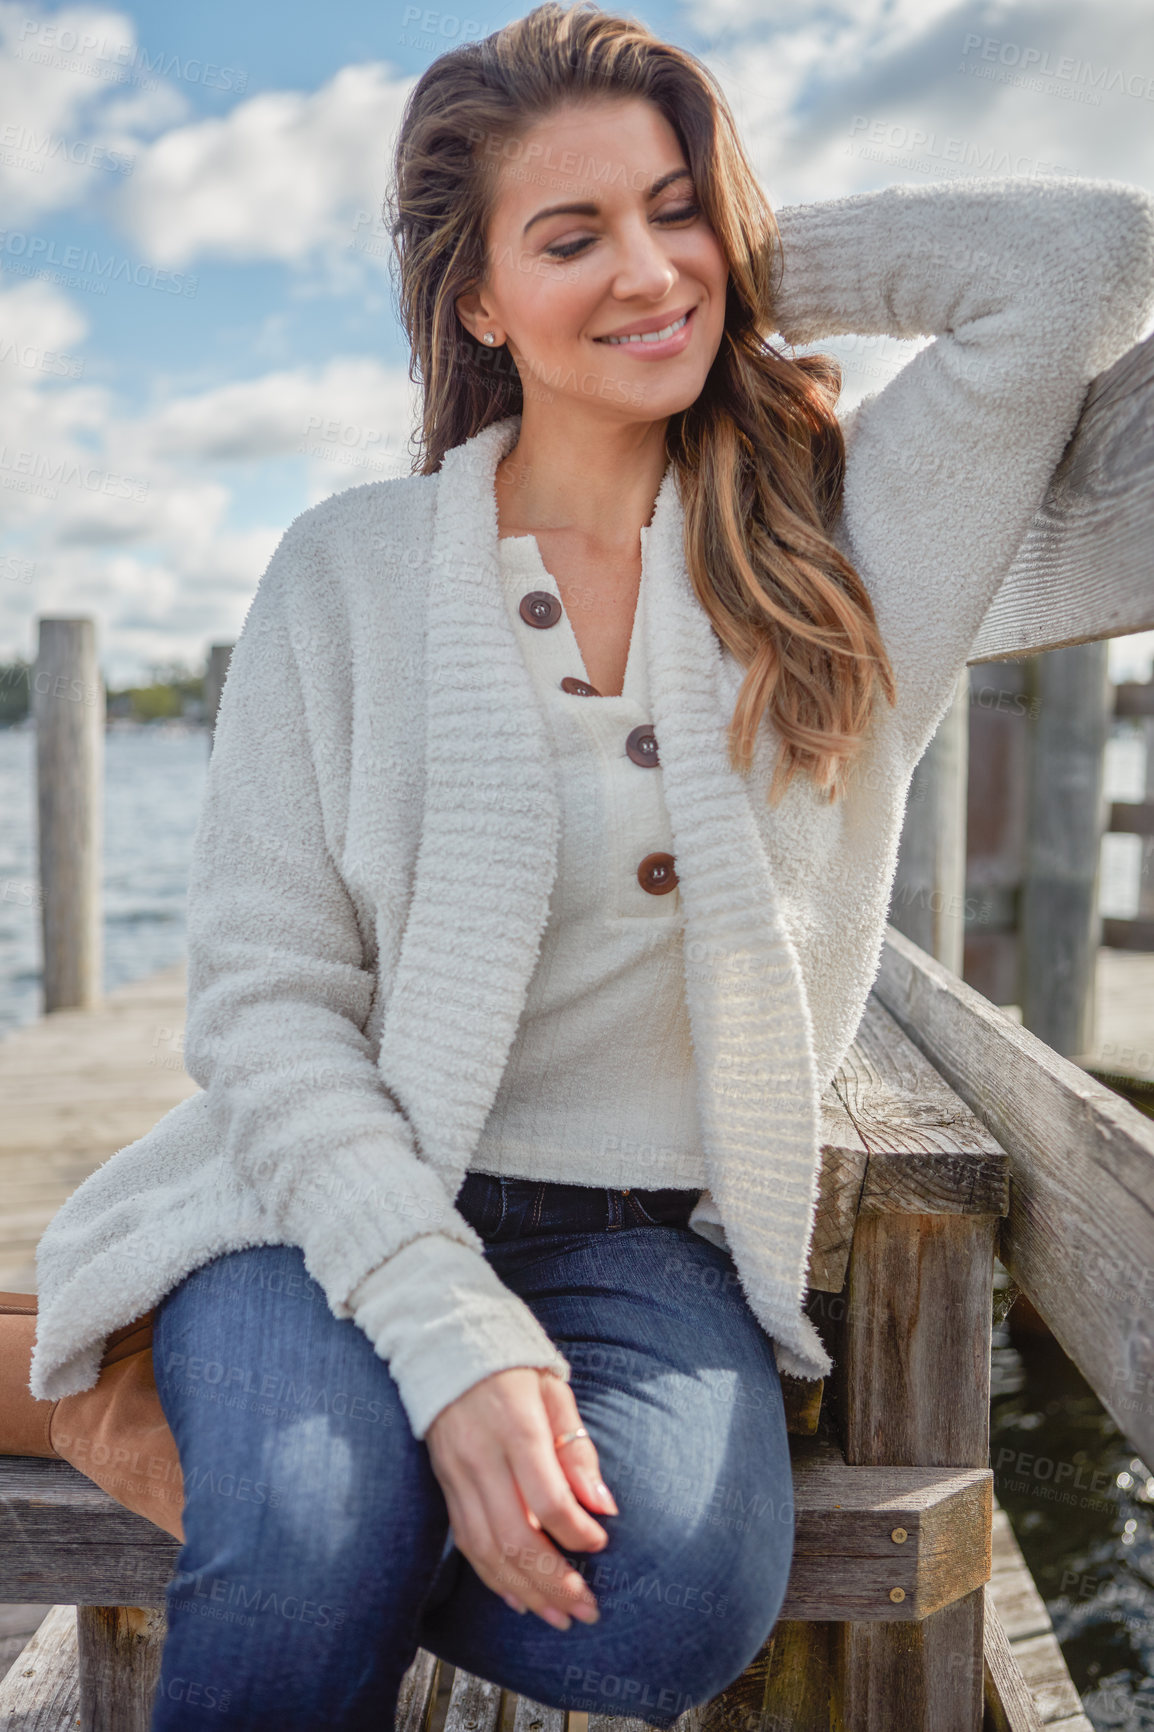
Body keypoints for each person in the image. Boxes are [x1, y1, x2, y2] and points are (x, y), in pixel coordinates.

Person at [27, 3, 1154, 1729]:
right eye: (570, 237)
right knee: (320, 1519)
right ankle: (113, 1378)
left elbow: (1087, 262)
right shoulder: (345, 571)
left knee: (656, 1606)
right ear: (474, 299)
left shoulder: (841, 542)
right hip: (323, 1205)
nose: (647, 271)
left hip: (647, 1246)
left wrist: (738, 256)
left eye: (672, 205)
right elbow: (264, 1008)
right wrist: (444, 1331)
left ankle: (143, 1406)